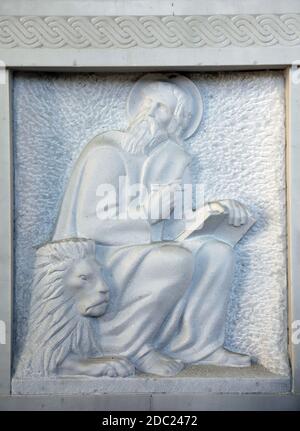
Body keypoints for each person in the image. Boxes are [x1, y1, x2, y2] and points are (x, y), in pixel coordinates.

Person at [52, 73, 251, 376]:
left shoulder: (174, 158)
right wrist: (146, 214)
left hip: (148, 251)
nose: (158, 118)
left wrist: (217, 211)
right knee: (174, 259)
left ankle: (200, 346)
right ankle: (132, 348)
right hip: (103, 257)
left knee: (217, 254)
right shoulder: (107, 151)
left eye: (170, 114)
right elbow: (89, 225)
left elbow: (180, 222)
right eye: (155, 107)